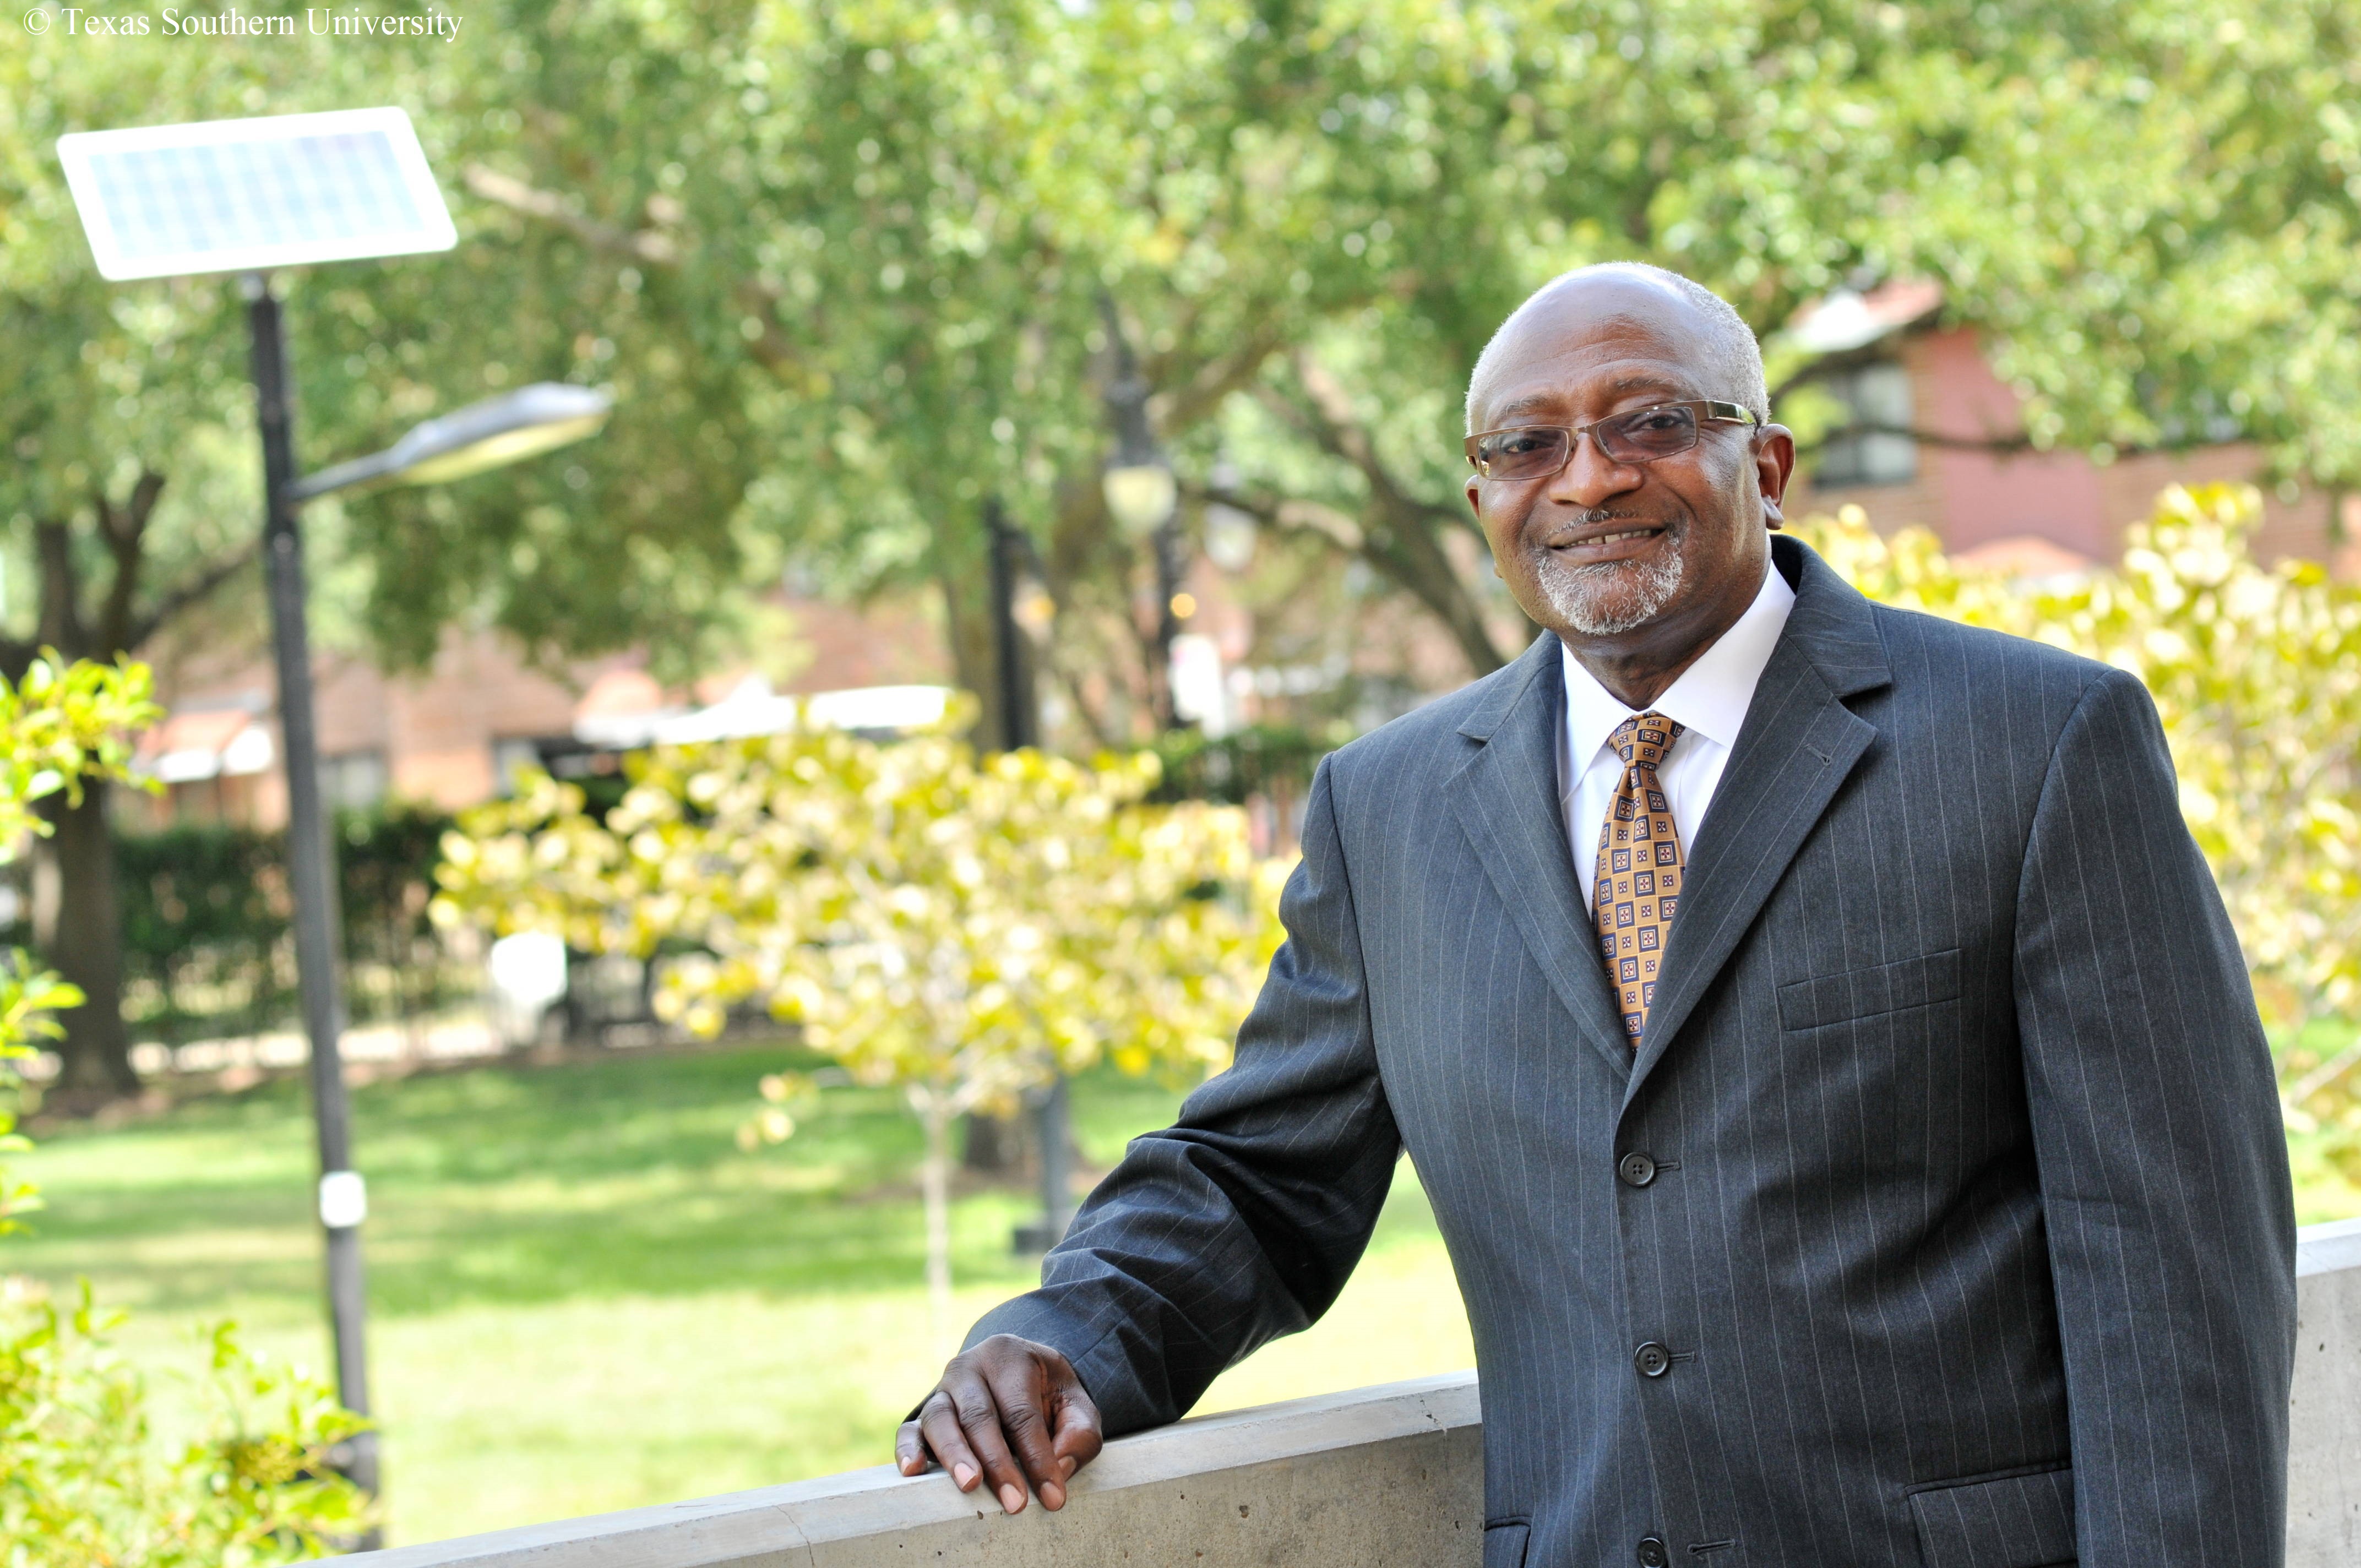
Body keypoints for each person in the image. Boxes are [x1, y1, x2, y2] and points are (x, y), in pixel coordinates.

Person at [894, 263, 2298, 1567]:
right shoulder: (1384, 811)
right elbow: (1258, 1177)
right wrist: (1066, 1330)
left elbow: (2171, 1273)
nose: (1587, 476)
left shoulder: (2035, 744)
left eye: (1649, 420)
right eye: (1525, 444)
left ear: (1766, 463)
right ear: (1481, 498)